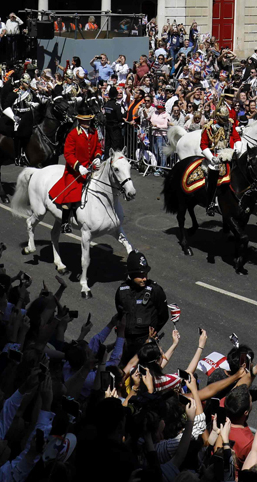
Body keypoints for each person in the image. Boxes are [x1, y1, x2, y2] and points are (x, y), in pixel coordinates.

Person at [49, 101, 103, 234]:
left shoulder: (93, 132)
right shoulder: (73, 134)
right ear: (79, 121)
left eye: (89, 120)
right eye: (85, 121)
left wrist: (97, 157)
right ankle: (65, 223)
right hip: (75, 171)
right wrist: (78, 167)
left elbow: (97, 147)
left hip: (91, 168)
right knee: (71, 194)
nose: (88, 123)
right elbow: (68, 154)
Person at [114, 250, 169, 354]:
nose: (144, 278)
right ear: (131, 275)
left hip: (145, 341)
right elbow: (120, 311)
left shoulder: (155, 290)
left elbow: (163, 316)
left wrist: (153, 332)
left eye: (145, 274)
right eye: (140, 276)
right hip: (126, 341)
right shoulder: (122, 291)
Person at [200, 106, 241, 216]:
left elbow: (236, 138)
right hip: (214, 155)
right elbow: (203, 145)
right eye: (223, 118)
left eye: (227, 117)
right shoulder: (209, 127)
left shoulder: (230, 125)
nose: (226, 120)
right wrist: (211, 157)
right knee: (214, 171)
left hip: (228, 153)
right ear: (218, 117)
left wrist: (238, 149)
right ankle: (210, 202)